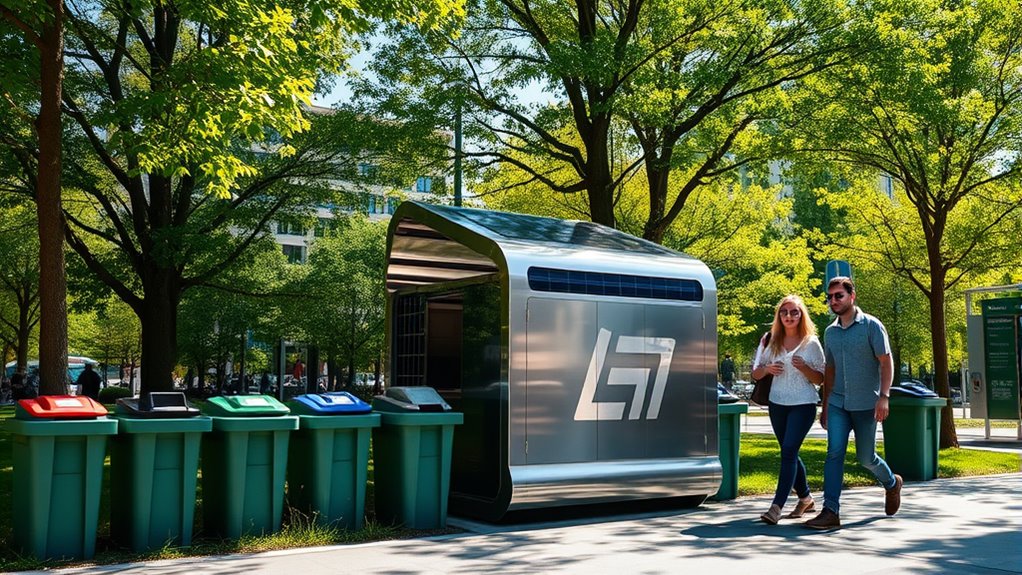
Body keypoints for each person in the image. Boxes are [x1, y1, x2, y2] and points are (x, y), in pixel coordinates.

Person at [805, 276, 902, 530]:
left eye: (839, 296)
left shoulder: (871, 326)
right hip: (838, 402)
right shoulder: (830, 332)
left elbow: (886, 361)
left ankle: (892, 483)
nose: (833, 301)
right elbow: (831, 370)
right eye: (830, 297)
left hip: (867, 404)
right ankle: (830, 511)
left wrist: (884, 397)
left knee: (865, 457)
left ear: (852, 296)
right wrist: (825, 406)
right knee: (834, 454)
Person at [751, 294, 826, 525]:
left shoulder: (810, 342)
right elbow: (756, 373)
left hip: (803, 404)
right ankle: (805, 498)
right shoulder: (771, 340)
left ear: (801, 315)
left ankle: (776, 507)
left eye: (794, 312)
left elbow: (821, 379)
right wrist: (767, 370)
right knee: (788, 451)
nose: (789, 316)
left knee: (789, 450)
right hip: (777, 404)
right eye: (784, 312)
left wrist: (804, 368)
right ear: (779, 316)